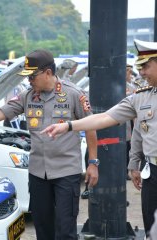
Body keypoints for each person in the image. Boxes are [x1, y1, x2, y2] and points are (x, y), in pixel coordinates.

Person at [0, 49, 99, 240]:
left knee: (65, 229)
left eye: (33, 76)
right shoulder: (28, 96)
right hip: (38, 173)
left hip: (66, 172)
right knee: (43, 227)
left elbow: (91, 127)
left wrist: (93, 162)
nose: (29, 80)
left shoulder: (73, 94)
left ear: (48, 73)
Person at [41, 38, 157, 237]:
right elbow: (105, 118)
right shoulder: (141, 97)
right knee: (152, 230)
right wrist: (69, 126)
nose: (142, 72)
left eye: (146, 66)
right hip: (153, 173)